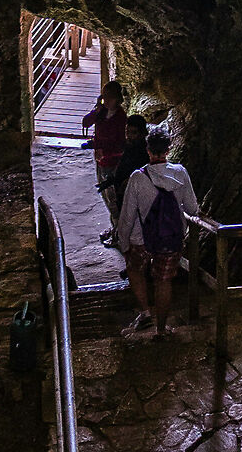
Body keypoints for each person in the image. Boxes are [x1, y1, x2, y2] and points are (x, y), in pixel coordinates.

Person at [117, 128, 199, 338]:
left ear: (148, 150)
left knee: (135, 269)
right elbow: (192, 209)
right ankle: (161, 330)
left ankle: (145, 312)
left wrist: (123, 243)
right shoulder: (180, 173)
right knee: (164, 281)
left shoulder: (137, 177)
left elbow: (127, 216)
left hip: (140, 239)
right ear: (168, 149)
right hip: (170, 239)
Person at [100, 113, 151, 247]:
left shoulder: (144, 151)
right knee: (120, 213)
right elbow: (123, 165)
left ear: (142, 133)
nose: (128, 135)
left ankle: (120, 240)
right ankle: (117, 233)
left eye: (133, 132)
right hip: (122, 188)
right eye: (127, 131)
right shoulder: (130, 146)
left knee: (128, 218)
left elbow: (143, 172)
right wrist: (111, 180)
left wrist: (127, 182)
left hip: (131, 192)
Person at [81, 77, 128, 218]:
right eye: (104, 96)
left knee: (114, 198)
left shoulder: (121, 118)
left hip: (113, 163)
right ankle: (115, 227)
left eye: (110, 97)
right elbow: (85, 123)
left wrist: (103, 151)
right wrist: (96, 110)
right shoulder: (101, 112)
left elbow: (120, 145)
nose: (106, 100)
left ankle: (118, 229)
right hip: (101, 161)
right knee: (105, 196)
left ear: (117, 99)